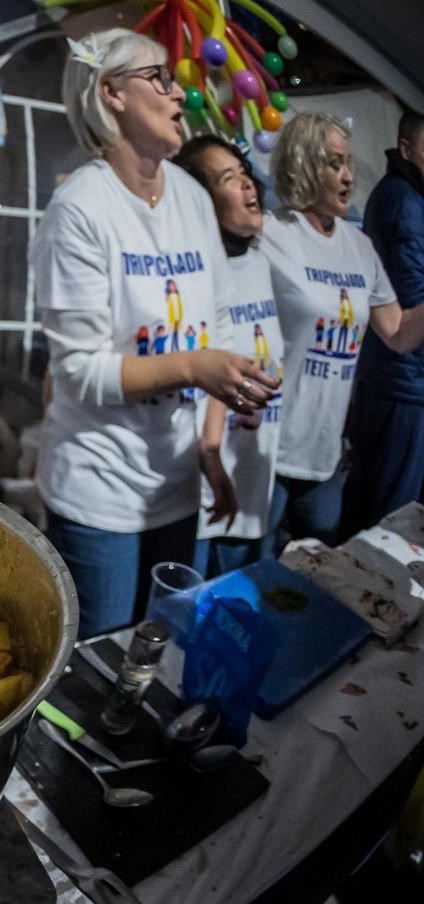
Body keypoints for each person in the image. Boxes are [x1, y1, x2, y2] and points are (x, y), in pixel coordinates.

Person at [30, 30, 278, 638]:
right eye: (161, 79)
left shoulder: (192, 197)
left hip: (177, 481)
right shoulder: (82, 209)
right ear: (111, 93)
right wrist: (194, 368)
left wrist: (211, 445)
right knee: (99, 662)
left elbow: (217, 324)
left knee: (164, 646)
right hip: (101, 492)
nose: (179, 94)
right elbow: (78, 369)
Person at [260, 112, 424, 546]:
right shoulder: (271, 233)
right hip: (269, 450)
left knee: (321, 576)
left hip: (327, 453)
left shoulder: (359, 248)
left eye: (348, 163)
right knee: (248, 580)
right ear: (303, 165)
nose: (348, 176)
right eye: (334, 164)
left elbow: (398, 333)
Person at [174, 136, 282, 575]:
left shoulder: (264, 258)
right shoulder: (189, 270)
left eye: (244, 173)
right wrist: (211, 448)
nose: (247, 186)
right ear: (200, 199)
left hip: (254, 472)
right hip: (197, 478)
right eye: (227, 179)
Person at [343, 110, 424, 535]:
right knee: (391, 513)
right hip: (404, 381)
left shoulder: (404, 195)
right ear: (408, 149)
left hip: (396, 376)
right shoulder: (405, 203)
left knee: (374, 498)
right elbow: (412, 295)